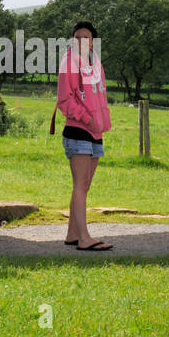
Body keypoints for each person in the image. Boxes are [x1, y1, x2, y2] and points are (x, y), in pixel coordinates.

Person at [55, 20, 113, 251]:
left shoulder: (95, 64)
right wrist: (87, 118)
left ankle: (72, 233)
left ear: (93, 42)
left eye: (85, 37)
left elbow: (99, 97)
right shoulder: (68, 63)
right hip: (78, 129)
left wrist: (99, 123)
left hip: (95, 132)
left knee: (85, 184)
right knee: (80, 184)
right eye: (76, 37)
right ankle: (84, 238)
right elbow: (64, 100)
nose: (80, 41)